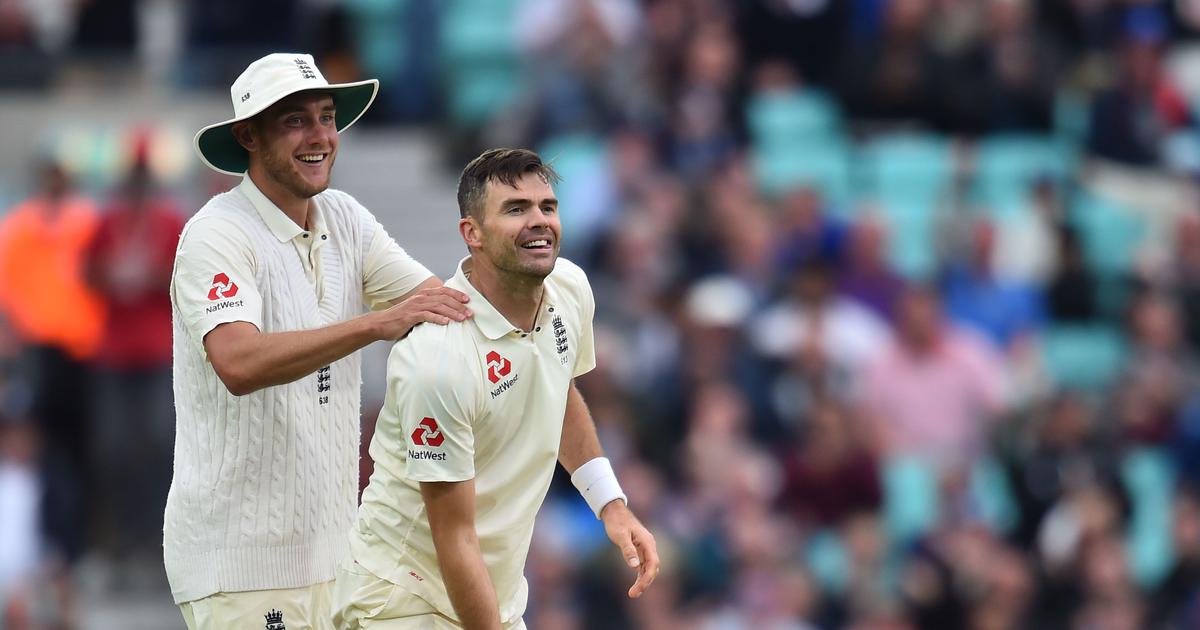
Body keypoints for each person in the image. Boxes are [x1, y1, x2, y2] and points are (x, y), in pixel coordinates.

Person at [165, 53, 471, 630]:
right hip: (239, 567)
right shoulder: (215, 233)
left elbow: (442, 307)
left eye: (327, 117)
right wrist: (373, 325)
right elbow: (237, 361)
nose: (321, 136)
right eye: (295, 120)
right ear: (248, 136)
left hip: (337, 561)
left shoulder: (346, 217)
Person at [333, 148, 660, 629]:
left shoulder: (570, 288)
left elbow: (554, 390)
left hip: (492, 594)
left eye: (547, 207)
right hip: (398, 598)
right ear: (473, 234)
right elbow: (454, 536)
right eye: (515, 210)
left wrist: (610, 505)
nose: (539, 221)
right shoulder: (436, 360)